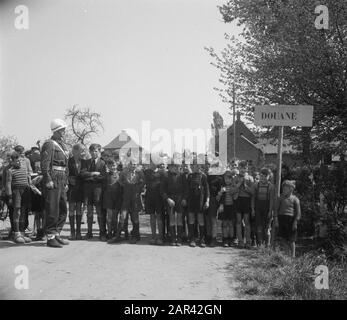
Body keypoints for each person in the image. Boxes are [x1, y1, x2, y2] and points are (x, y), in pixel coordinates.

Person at [41, 119, 70, 248]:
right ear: (56, 130)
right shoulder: (49, 144)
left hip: (62, 177)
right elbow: (45, 164)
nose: (64, 132)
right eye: (62, 130)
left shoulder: (63, 145)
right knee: (52, 208)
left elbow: (66, 165)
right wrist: (48, 179)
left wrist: (66, 181)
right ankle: (50, 236)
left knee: (63, 208)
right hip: (53, 176)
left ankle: (57, 233)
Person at [80, 143, 107, 241]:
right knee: (89, 212)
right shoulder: (85, 162)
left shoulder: (103, 163)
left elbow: (103, 177)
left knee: (99, 212)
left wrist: (90, 178)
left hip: (98, 190)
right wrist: (94, 173)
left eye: (96, 151)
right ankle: (89, 232)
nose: (94, 153)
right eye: (92, 151)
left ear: (99, 152)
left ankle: (102, 233)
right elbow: (82, 174)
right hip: (88, 190)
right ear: (89, 152)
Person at [5, 152, 32, 243]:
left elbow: (28, 180)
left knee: (24, 212)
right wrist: (9, 196)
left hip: (25, 191)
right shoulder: (10, 170)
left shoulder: (24, 169)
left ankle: (23, 233)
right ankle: (17, 233)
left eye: (20, 160)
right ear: (12, 161)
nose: (19, 162)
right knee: (17, 211)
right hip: (16, 191)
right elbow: (8, 184)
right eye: (17, 161)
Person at [184, 158, 209, 248]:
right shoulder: (189, 176)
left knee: (201, 220)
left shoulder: (203, 176)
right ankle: (192, 239)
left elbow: (207, 190)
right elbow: (186, 190)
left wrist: (207, 201)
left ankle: (202, 239)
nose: (196, 167)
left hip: (200, 200)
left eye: (198, 165)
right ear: (192, 166)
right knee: (191, 219)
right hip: (191, 201)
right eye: (194, 165)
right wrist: (185, 199)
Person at [119, 160, 144, 244]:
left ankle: (136, 236)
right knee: (123, 216)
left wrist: (137, 189)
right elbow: (120, 181)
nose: (134, 166)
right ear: (129, 164)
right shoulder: (124, 172)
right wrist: (126, 186)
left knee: (135, 218)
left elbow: (143, 183)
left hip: (135, 198)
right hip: (126, 197)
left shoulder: (139, 173)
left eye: (135, 164)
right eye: (132, 164)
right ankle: (120, 235)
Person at [160, 162, 185, 246]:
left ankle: (180, 239)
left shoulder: (182, 175)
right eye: (172, 166)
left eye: (176, 166)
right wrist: (167, 199)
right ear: (169, 167)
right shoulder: (165, 176)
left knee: (180, 219)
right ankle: (173, 239)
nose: (174, 167)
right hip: (170, 199)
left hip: (180, 199)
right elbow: (162, 190)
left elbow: (186, 188)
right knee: (171, 219)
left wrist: (184, 198)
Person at [274, 180, 301, 258]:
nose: (284, 190)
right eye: (283, 189)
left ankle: (293, 256)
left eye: (285, 189)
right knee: (282, 238)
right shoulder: (280, 198)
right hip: (281, 219)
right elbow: (276, 209)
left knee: (291, 239)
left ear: (291, 189)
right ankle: (287, 253)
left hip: (291, 220)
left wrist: (295, 222)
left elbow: (298, 212)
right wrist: (276, 220)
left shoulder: (295, 199)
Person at [252, 168, 274, 246]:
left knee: (267, 227)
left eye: (265, 176)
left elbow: (271, 199)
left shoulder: (271, 186)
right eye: (261, 176)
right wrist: (252, 209)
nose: (263, 178)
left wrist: (270, 211)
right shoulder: (256, 185)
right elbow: (253, 198)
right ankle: (260, 243)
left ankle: (267, 244)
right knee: (259, 227)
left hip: (267, 208)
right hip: (258, 208)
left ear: (269, 177)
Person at [235, 161, 255, 249]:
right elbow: (232, 190)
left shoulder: (250, 178)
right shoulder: (235, 177)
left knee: (247, 222)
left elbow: (253, 192)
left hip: (247, 201)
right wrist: (239, 183)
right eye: (241, 167)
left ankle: (248, 242)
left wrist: (245, 186)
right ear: (238, 168)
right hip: (238, 200)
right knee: (239, 222)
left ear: (247, 168)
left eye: (245, 168)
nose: (243, 169)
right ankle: (240, 241)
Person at [67, 143, 84, 240]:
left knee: (79, 208)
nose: (83, 152)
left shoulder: (84, 162)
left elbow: (85, 173)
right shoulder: (68, 161)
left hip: (81, 188)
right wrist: (69, 179)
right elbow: (66, 173)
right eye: (82, 150)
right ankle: (72, 232)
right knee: (71, 209)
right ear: (75, 151)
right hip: (71, 188)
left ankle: (79, 232)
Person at [217, 169, 239, 247]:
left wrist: (234, 192)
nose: (227, 180)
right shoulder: (222, 187)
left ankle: (231, 239)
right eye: (226, 179)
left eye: (229, 179)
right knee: (225, 224)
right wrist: (220, 193)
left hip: (232, 208)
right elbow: (217, 199)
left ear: (231, 179)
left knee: (231, 224)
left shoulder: (233, 187)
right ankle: (225, 240)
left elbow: (236, 198)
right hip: (224, 207)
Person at [103, 159, 122, 243]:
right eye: (110, 166)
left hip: (117, 198)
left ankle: (116, 233)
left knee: (115, 216)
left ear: (116, 165)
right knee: (109, 216)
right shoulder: (105, 175)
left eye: (114, 165)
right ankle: (109, 232)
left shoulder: (120, 175)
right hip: (108, 198)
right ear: (107, 166)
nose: (112, 167)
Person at [206, 163, 225, 247]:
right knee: (209, 219)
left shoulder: (221, 177)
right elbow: (206, 189)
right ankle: (209, 237)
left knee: (215, 220)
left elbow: (223, 191)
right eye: (213, 166)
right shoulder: (208, 176)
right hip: (209, 199)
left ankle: (214, 239)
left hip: (217, 200)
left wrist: (221, 204)